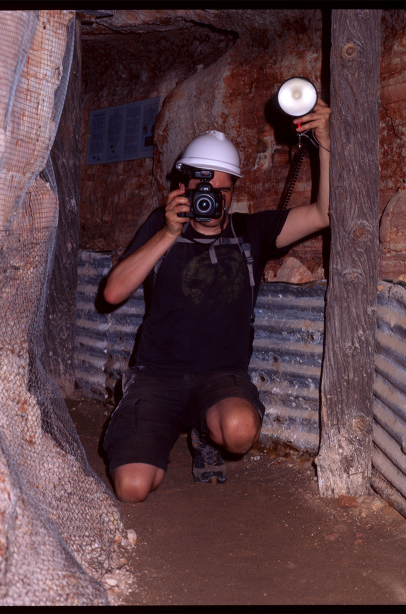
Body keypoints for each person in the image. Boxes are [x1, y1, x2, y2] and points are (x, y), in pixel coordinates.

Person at [103, 98, 331, 503]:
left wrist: (324, 143)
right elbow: (112, 293)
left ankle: (203, 434)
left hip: (220, 377)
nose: (212, 201)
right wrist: (169, 233)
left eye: (222, 192)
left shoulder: (251, 232)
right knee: (133, 489)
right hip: (157, 375)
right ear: (184, 186)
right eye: (203, 189)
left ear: (234, 190)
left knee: (240, 432)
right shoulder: (161, 226)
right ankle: (155, 425)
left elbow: (322, 214)